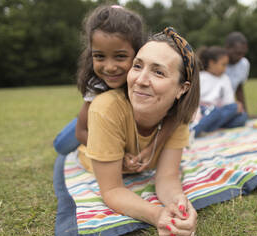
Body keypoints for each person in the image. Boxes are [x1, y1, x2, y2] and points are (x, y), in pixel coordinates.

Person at [77, 27, 200, 236]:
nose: (140, 80)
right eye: (137, 66)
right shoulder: (105, 109)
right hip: (93, 148)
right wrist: (157, 215)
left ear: (182, 89)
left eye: (158, 72)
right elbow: (113, 189)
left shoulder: (178, 117)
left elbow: (167, 177)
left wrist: (179, 204)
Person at [53, 4, 174, 171]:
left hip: (115, 124)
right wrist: (117, 153)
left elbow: (173, 118)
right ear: (91, 54)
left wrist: (149, 150)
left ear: (139, 52)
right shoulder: (97, 85)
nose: (109, 67)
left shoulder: (149, 82)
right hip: (90, 122)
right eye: (100, 56)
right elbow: (81, 132)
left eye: (120, 56)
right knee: (62, 146)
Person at [192, 46, 247, 137]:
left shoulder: (225, 79)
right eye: (223, 64)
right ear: (212, 63)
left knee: (241, 116)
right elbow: (193, 101)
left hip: (219, 111)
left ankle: (208, 127)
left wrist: (236, 107)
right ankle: (195, 130)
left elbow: (228, 103)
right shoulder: (201, 77)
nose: (225, 68)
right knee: (215, 111)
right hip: (202, 111)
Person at [225, 31, 250, 113]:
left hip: (229, 106)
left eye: (243, 53)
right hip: (213, 105)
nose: (240, 57)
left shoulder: (244, 63)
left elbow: (239, 89)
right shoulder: (217, 63)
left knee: (242, 117)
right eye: (237, 53)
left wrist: (245, 112)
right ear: (227, 48)